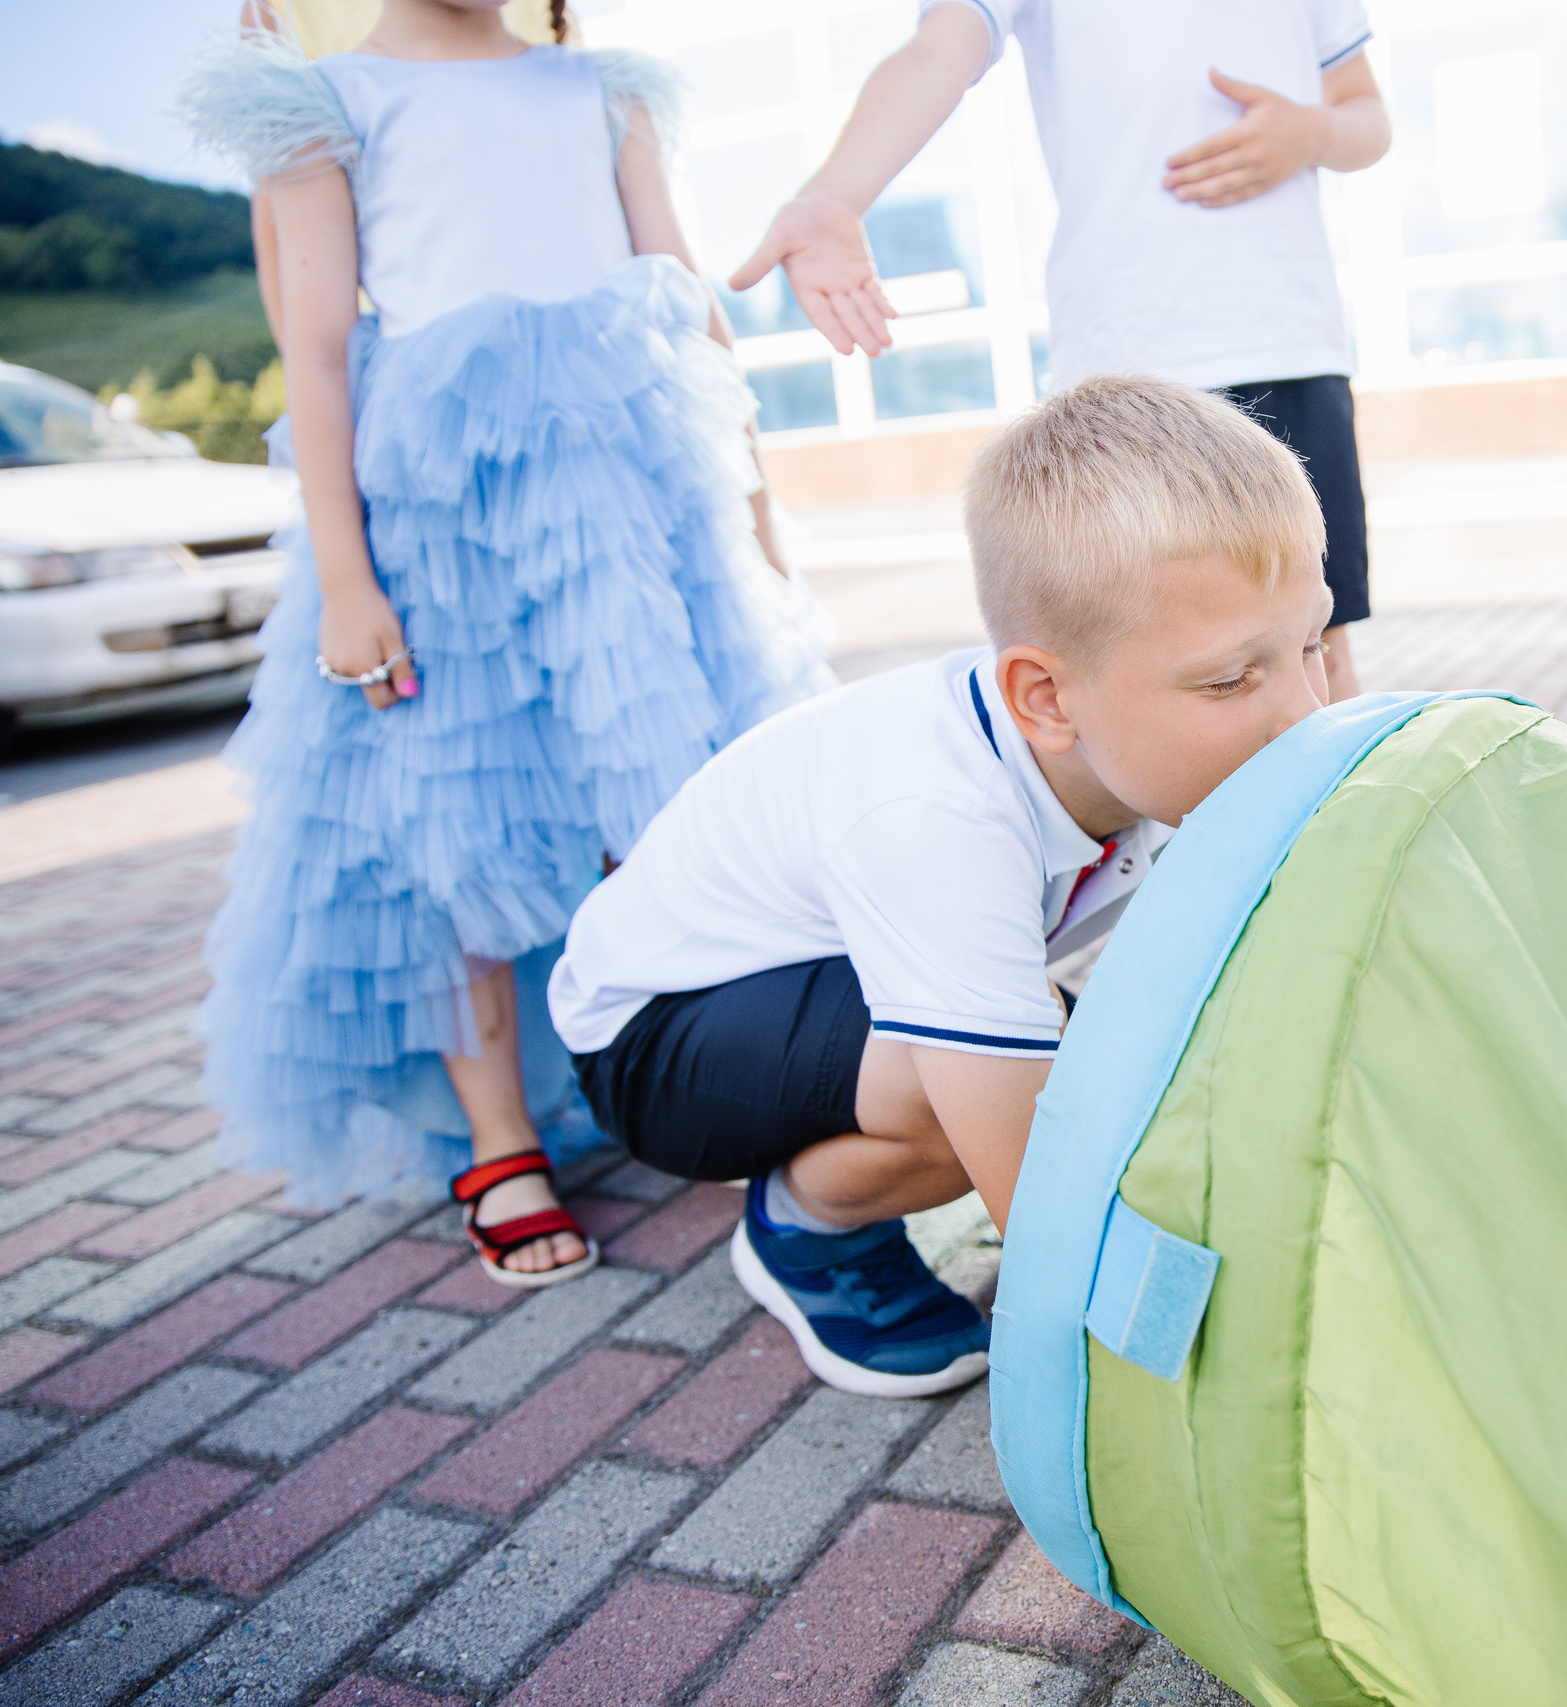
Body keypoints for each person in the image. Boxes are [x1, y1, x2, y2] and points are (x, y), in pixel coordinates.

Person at [178, 0, 834, 1288]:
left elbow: (693, 311)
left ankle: (700, 1074)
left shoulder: (601, 87)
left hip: (627, 514)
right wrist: (349, 578)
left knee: (657, 810)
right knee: (463, 822)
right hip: (443, 523)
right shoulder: (329, 101)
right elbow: (313, 354)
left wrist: (757, 520)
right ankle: (499, 1137)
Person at [548, 374, 1333, 1395]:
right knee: (990, 1097)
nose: (1304, 710)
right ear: (1044, 696)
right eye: (1232, 678)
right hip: (651, 1033)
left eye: (1312, 644)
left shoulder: (1130, 730)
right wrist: (1216, 1366)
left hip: (810, 972)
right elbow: (1031, 1181)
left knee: (1074, 1054)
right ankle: (807, 1222)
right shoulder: (937, 821)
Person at [727, 0, 1388, 701]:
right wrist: (834, 194)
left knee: (1317, 663)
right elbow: (940, 51)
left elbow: (1365, 113)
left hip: (1283, 335)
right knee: (1143, 680)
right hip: (1128, 361)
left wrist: (1311, 132)